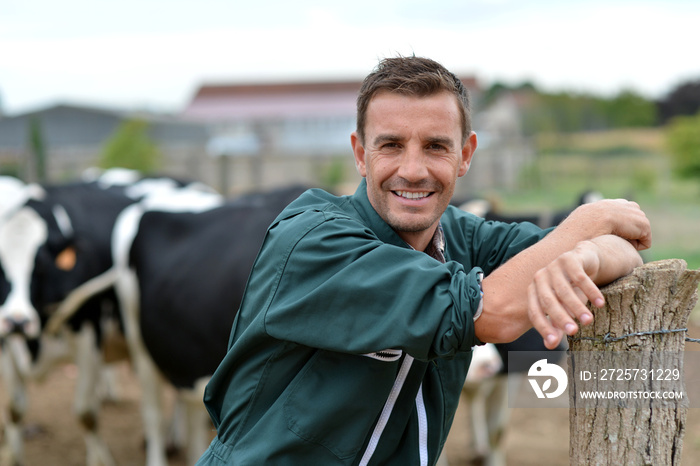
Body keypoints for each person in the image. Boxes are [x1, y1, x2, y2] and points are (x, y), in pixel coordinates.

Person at [195, 56, 651, 465]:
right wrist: (585, 224)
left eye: (435, 146)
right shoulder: (314, 241)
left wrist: (586, 252)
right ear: (360, 153)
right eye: (391, 145)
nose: (412, 170)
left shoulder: (462, 234)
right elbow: (491, 313)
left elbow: (628, 248)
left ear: (465, 155)